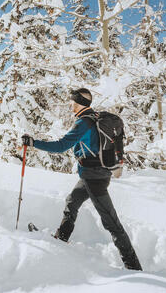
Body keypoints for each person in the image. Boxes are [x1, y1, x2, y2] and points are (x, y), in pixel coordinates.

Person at [21, 88, 142, 271]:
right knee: (72, 201)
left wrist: (33, 143)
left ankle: (133, 266)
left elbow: (61, 146)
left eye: (72, 102)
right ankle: (61, 238)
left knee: (111, 222)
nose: (70, 104)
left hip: (94, 178)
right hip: (91, 175)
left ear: (78, 103)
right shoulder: (94, 117)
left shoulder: (84, 123)